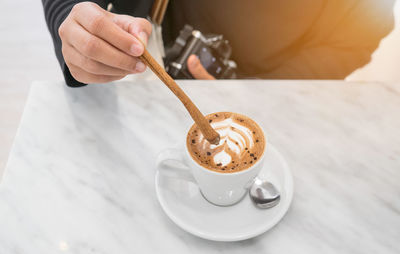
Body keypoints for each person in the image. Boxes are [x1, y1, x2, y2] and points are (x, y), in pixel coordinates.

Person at [42, 0, 395, 87]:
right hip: (142, 48)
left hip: (265, 81)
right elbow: (71, 9)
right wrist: (71, 18)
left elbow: (357, 38)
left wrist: (260, 91)